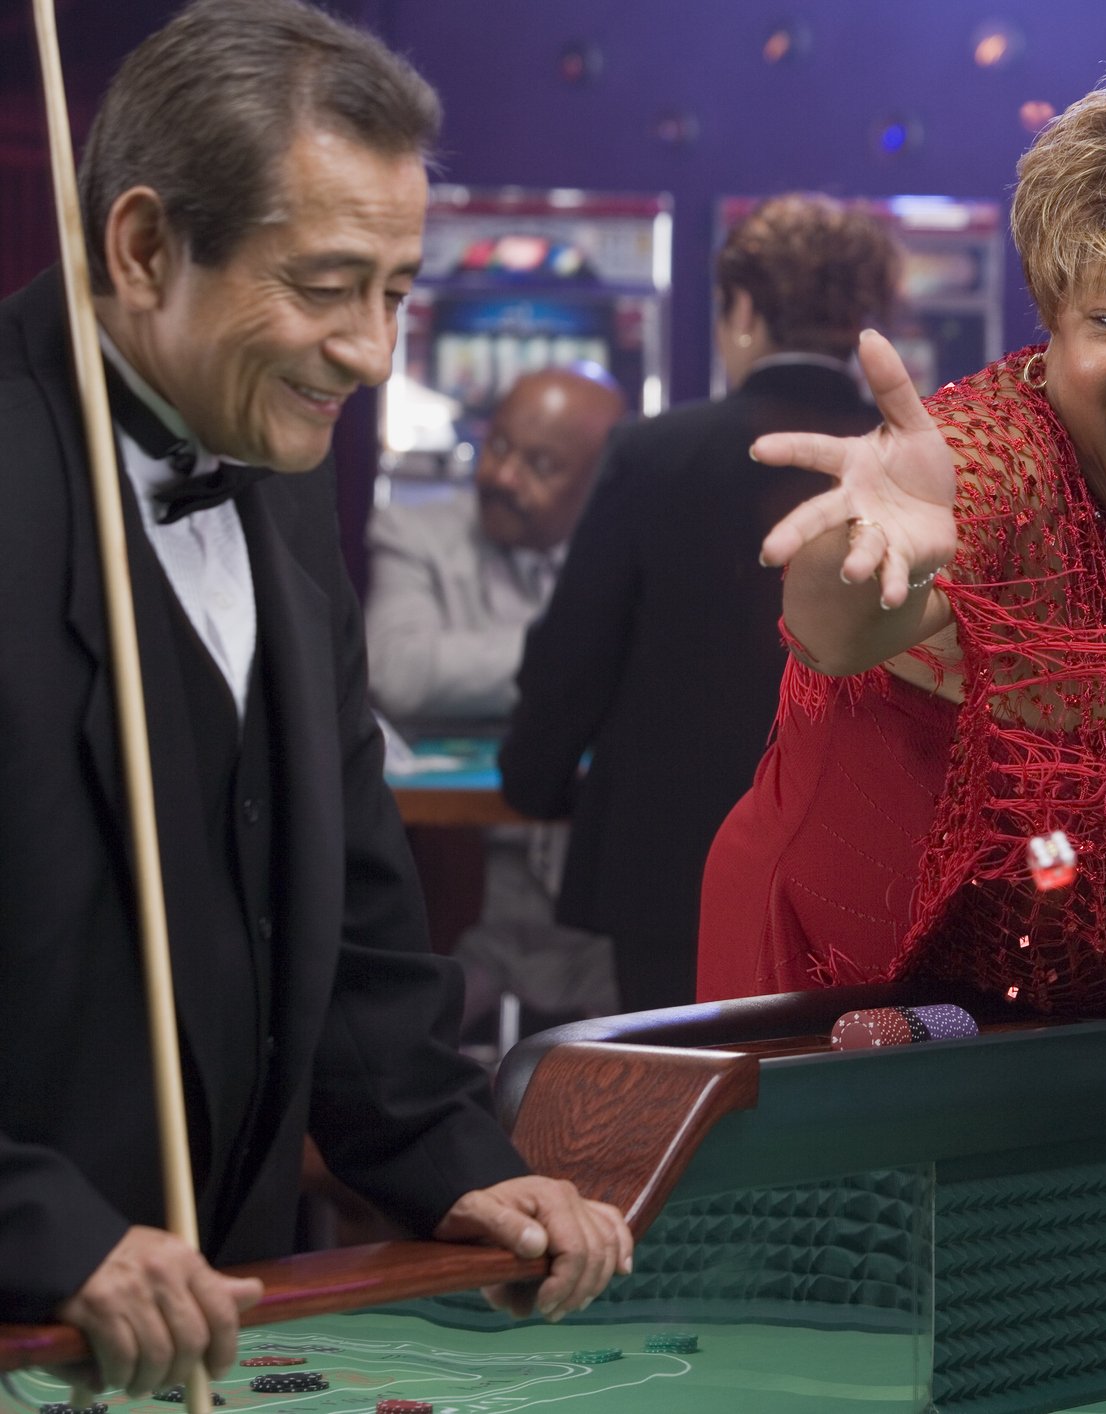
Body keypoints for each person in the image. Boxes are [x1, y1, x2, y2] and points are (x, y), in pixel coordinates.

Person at [0, 0, 630, 1397]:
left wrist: (461, 1167)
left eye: (396, 292)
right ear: (146, 246)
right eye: (327, 284)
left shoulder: (276, 479)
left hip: (211, 1335)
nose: (372, 352)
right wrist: (43, 1232)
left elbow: (349, 926)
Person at [697, 47, 1106, 1127]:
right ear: (1051, 330)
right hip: (843, 966)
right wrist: (860, 542)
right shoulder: (996, 460)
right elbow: (832, 629)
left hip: (1081, 979)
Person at [500, 194, 896, 1013]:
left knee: (682, 1115)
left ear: (743, 309)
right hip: (866, 859)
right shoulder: (909, 463)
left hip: (667, 866)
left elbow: (576, 654)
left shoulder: (654, 452)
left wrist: (533, 786)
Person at [366, 367, 626, 1032]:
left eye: (540, 464)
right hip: (457, 880)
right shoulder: (410, 532)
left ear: (600, 484)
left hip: (598, 888)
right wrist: (582, 658)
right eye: (498, 446)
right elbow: (401, 670)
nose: (504, 476)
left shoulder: (630, 555)